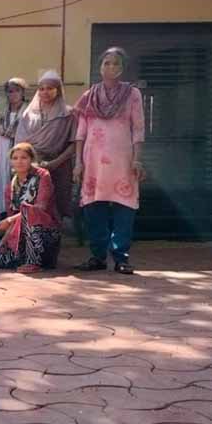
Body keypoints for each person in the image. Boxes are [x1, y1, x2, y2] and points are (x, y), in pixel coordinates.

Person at [73, 47, 145, 275]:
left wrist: (137, 160)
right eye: (107, 63)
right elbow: (80, 132)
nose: (111, 67)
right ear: (99, 67)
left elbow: (138, 129)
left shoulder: (132, 94)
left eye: (116, 63)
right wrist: (78, 163)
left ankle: (121, 257)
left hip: (122, 161)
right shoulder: (89, 96)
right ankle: (98, 256)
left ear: (123, 68)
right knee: (93, 209)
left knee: (125, 208)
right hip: (93, 162)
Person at [0, 143, 61, 273]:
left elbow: (41, 207)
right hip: (21, 235)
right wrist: (4, 242)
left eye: (24, 157)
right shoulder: (11, 187)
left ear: (31, 159)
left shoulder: (43, 175)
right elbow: (12, 220)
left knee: (28, 210)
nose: (19, 161)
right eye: (15, 158)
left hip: (44, 233)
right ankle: (25, 259)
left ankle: (34, 261)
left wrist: (10, 220)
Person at [15, 70, 76, 222]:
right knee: (33, 203)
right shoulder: (28, 114)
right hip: (32, 166)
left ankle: (57, 233)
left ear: (58, 90)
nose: (45, 92)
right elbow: (21, 144)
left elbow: (74, 144)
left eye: (50, 88)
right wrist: (32, 164)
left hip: (60, 166)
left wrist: (55, 163)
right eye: (41, 89)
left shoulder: (68, 114)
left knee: (58, 206)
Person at [0, 78, 28, 215]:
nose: (13, 94)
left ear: (22, 92)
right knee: (3, 179)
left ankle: (18, 214)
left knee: (18, 180)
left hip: (20, 149)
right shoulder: (2, 112)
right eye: (10, 91)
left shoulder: (28, 112)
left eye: (17, 91)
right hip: (3, 149)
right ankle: (3, 211)